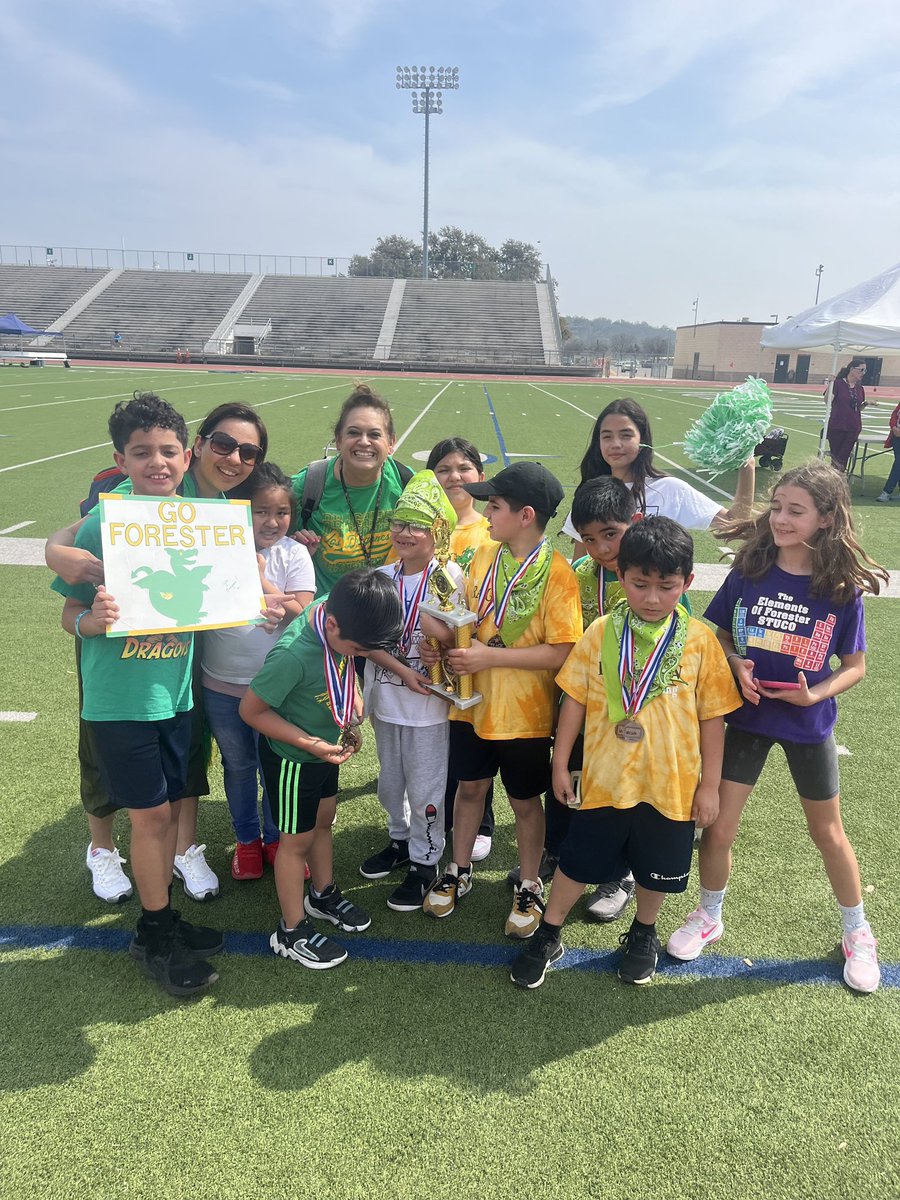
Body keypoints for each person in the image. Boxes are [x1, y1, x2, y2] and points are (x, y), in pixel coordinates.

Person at [666, 462, 888, 994]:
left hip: (807, 724)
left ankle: (858, 931)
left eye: (797, 511)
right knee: (717, 828)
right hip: (746, 717)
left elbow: (854, 666)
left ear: (827, 518)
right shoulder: (750, 567)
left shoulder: (838, 586)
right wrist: (735, 661)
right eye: (778, 508)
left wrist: (815, 693)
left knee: (827, 832)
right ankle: (709, 913)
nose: (782, 520)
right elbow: (718, 634)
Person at [45, 400, 269, 904]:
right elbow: (73, 596)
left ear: (183, 456)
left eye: (247, 451)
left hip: (181, 679)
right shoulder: (119, 509)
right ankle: (112, 861)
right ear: (203, 447)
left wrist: (259, 578)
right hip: (120, 681)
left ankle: (177, 861)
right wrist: (58, 556)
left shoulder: (226, 508)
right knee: (124, 784)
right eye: (224, 444)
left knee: (178, 779)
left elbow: (246, 571)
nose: (233, 457)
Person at [510, 518, 740, 989]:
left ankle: (643, 932)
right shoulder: (599, 632)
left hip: (671, 788)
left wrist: (711, 786)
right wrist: (560, 761)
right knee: (577, 863)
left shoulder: (699, 642)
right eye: (639, 584)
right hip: (603, 782)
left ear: (687, 583)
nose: (652, 597)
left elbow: (712, 719)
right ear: (622, 578)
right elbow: (574, 698)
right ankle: (550, 932)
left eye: (666, 586)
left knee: (657, 869)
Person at [50, 394, 224, 996]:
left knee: (172, 809)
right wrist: (89, 623)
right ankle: (153, 934)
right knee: (150, 818)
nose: (158, 462)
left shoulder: (202, 520)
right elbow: (70, 610)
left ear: (187, 455)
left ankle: (166, 916)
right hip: (119, 697)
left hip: (175, 691)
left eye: (169, 450)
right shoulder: (105, 519)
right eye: (142, 451)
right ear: (119, 458)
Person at [420, 462, 582, 937]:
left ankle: (529, 883)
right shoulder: (483, 554)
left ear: (526, 515)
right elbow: (464, 617)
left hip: (524, 716)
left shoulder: (558, 573)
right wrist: (444, 643)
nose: (485, 512)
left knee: (525, 802)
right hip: (469, 703)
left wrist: (488, 660)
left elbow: (562, 651)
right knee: (469, 789)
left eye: (495, 505)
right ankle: (459, 868)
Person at [240, 570, 403, 970]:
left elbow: (343, 660)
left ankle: (322, 893)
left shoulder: (335, 609)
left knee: (323, 821)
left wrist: (353, 701)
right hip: (294, 760)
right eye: (357, 648)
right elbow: (251, 711)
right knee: (295, 843)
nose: (358, 655)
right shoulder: (293, 655)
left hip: (323, 749)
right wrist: (308, 743)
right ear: (332, 624)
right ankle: (291, 930)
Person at [201, 463, 315, 880]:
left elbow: (302, 612)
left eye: (281, 512)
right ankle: (247, 840)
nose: (272, 522)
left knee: (275, 766)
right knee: (238, 766)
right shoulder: (214, 548)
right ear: (239, 509)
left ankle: (274, 839)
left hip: (276, 691)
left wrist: (265, 582)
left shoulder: (294, 553)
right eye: (261, 511)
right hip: (221, 684)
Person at [359, 470, 465, 910]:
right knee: (391, 782)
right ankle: (400, 840)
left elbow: (463, 640)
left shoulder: (450, 577)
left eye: (416, 525)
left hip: (429, 708)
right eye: (399, 523)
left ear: (437, 531)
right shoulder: (381, 576)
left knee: (426, 787)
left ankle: (426, 859)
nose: (404, 533)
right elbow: (365, 639)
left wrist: (438, 647)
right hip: (387, 700)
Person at [561, 397, 756, 556]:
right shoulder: (591, 494)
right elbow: (580, 564)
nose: (616, 444)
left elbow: (735, 522)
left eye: (626, 435)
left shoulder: (671, 489)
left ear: (643, 440)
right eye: (607, 436)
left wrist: (747, 467)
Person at [425, 436, 495, 861]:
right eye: (444, 469)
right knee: (435, 738)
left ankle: (481, 820)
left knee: (473, 736)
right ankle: (438, 812)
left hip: (474, 653)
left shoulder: (490, 532)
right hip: (431, 654)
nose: (454, 476)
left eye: (464, 468)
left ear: (480, 477)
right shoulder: (422, 528)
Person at [291, 383, 408, 595]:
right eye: (354, 433)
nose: (364, 442)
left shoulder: (406, 482)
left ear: (391, 443)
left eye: (374, 434)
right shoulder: (308, 484)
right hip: (327, 617)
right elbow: (264, 533)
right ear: (338, 439)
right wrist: (293, 549)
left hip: (388, 612)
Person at [825, 359, 868, 473]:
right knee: (836, 457)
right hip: (837, 426)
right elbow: (827, 401)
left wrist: (866, 404)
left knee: (843, 458)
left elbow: (858, 407)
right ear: (852, 369)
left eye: (865, 370)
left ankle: (837, 482)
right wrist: (830, 383)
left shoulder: (860, 388)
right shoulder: (838, 383)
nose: (863, 373)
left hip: (853, 428)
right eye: (861, 370)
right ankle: (834, 482)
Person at [875, 397, 900, 501]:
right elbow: (895, 414)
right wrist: (894, 427)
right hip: (896, 436)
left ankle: (887, 491)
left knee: (899, 463)